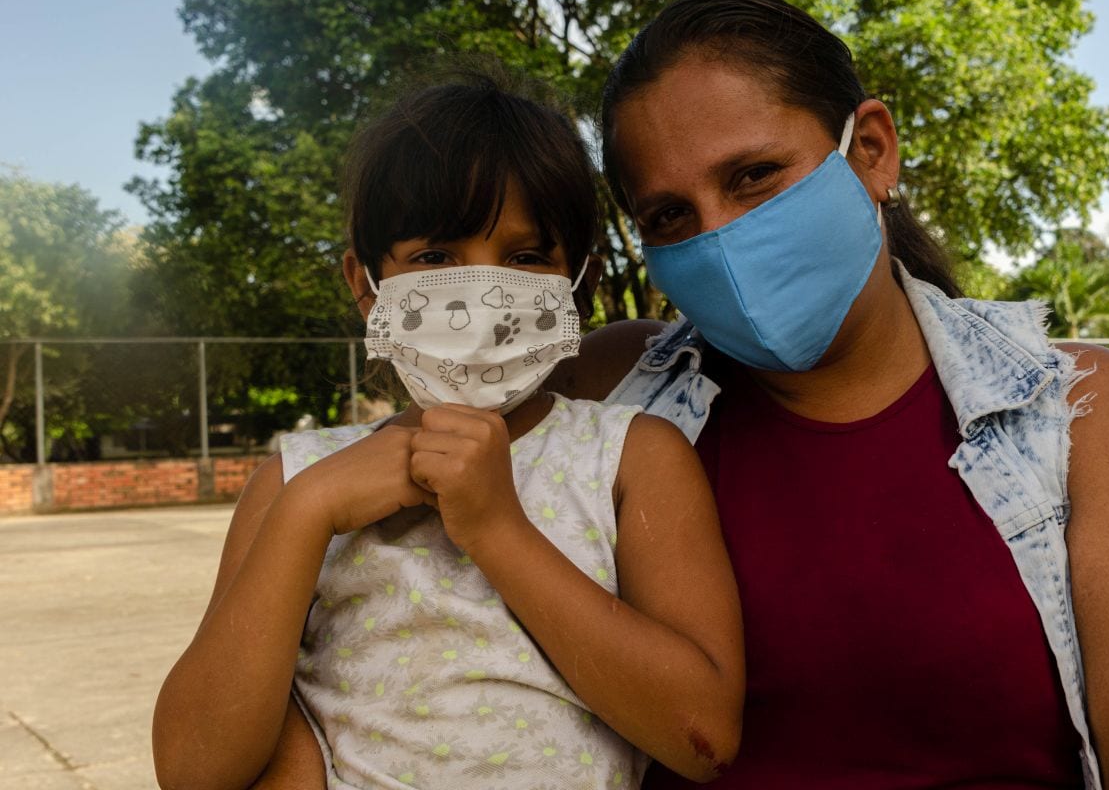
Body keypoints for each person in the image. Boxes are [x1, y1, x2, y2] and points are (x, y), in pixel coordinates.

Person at [559, 0, 1109, 789]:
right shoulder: (609, 392)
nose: (719, 237)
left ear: (871, 151)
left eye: (754, 176)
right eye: (670, 216)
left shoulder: (1078, 415)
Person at [151, 71, 744, 790]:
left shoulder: (630, 458)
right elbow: (191, 769)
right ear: (366, 284)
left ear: (576, 282)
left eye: (527, 257)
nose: (483, 291)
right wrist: (305, 513)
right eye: (435, 257)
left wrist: (497, 529)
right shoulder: (295, 480)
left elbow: (705, 736)